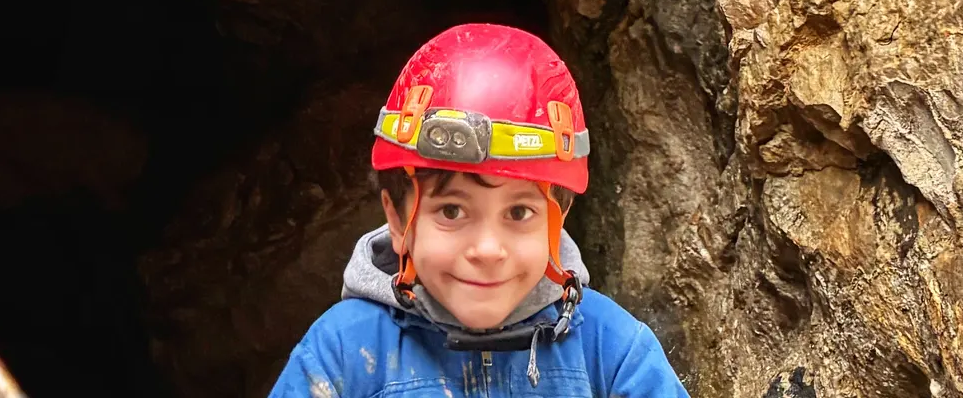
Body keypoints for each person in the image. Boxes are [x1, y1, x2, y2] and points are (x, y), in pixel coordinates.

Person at [269, 23, 691, 398]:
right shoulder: (342, 352)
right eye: (452, 211)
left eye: (519, 212)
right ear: (398, 221)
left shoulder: (611, 352)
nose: (488, 249)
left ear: (557, 219)